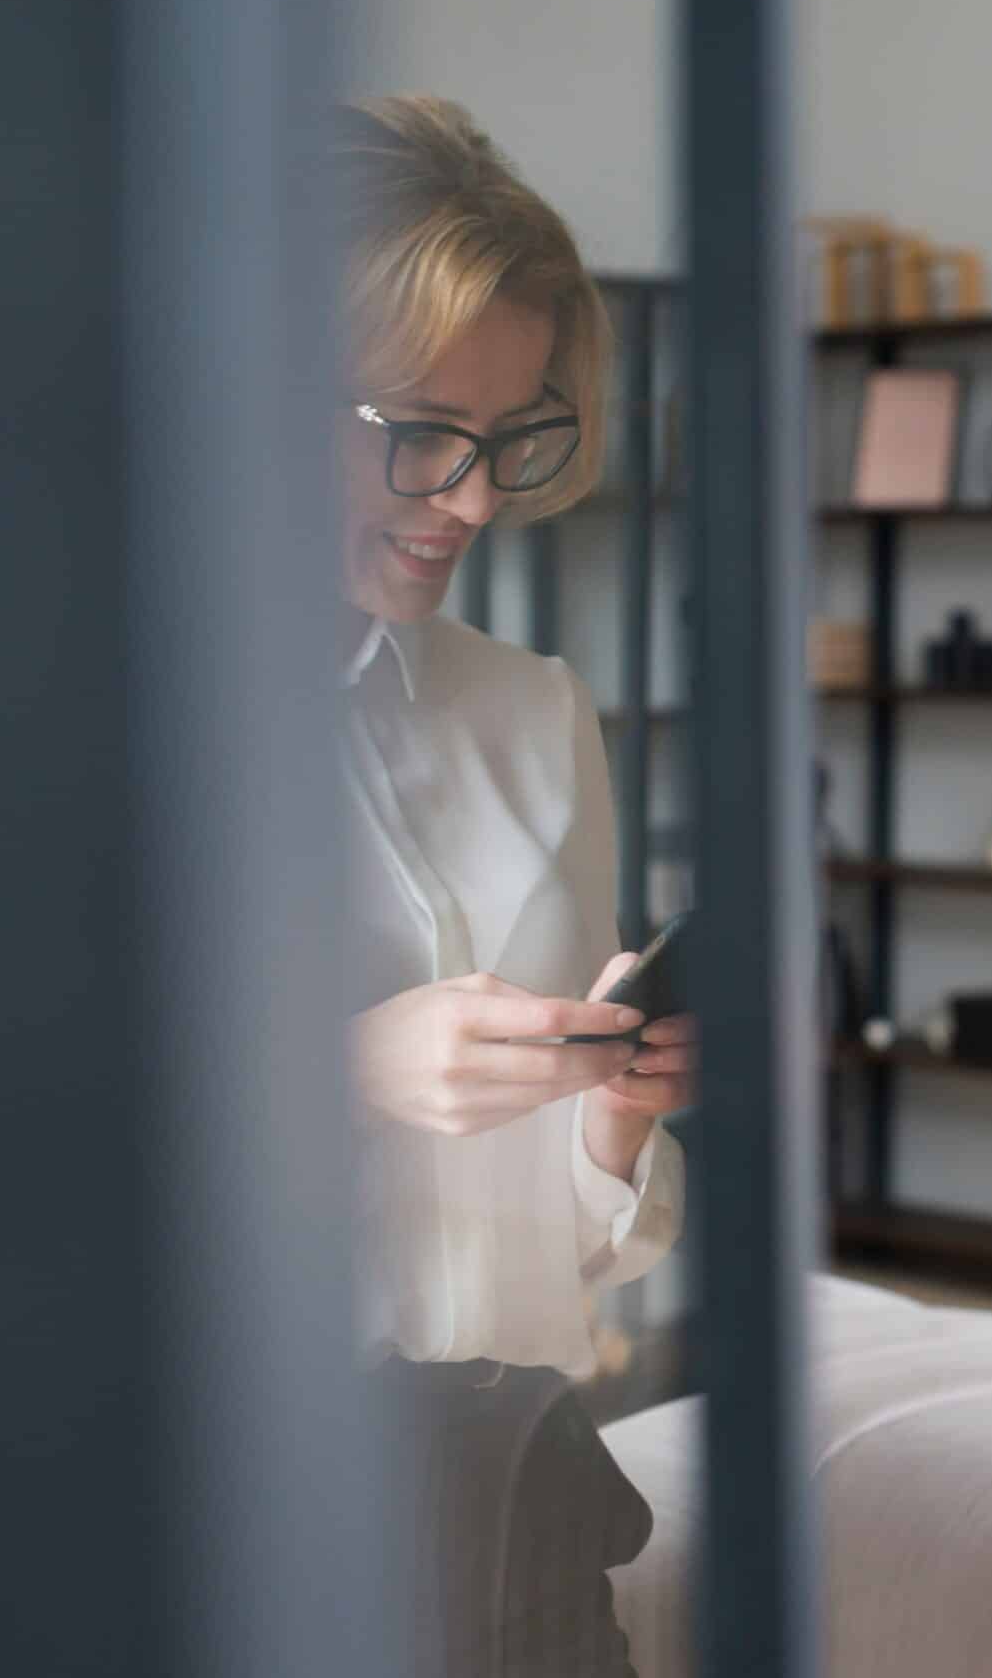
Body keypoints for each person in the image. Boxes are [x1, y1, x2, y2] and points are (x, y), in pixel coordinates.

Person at [330, 95, 691, 1676]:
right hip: (223, 1471)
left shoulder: (531, 713)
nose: (471, 499)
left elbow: (582, 1238)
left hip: (525, 1475)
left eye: (512, 436)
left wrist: (614, 1121)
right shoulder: (77, 711)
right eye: (418, 430)